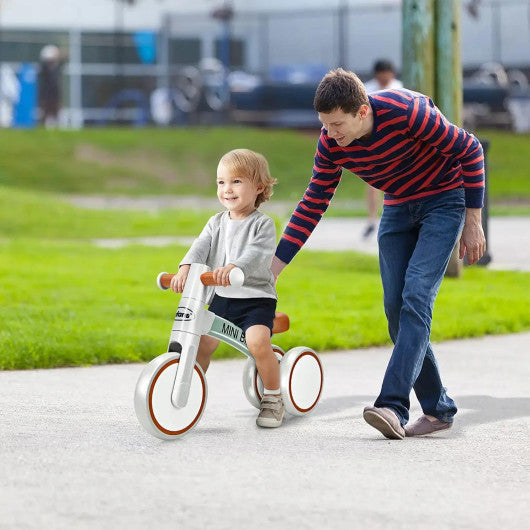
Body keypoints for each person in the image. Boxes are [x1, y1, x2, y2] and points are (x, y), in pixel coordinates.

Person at [271, 68, 485, 439]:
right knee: (394, 310)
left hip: (444, 200)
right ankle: (438, 409)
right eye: (325, 125)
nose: (331, 135)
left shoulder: (407, 112)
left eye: (337, 125)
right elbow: (312, 204)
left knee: (416, 295)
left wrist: (473, 219)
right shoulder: (330, 143)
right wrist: (272, 270)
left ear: (362, 111)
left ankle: (392, 405)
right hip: (399, 206)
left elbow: (470, 148)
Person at [170, 149, 285, 428]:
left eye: (236, 181)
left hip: (255, 299)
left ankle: (273, 397)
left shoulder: (263, 224)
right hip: (223, 296)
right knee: (202, 342)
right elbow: (201, 246)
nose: (227, 189)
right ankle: (189, 389)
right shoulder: (216, 222)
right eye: (221, 182)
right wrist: (186, 267)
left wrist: (235, 268)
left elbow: (258, 254)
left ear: (258, 187)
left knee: (257, 343)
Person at [362, 60, 404, 238]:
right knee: (373, 183)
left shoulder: (398, 88)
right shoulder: (367, 89)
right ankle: (372, 219)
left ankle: (396, 219)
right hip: (372, 141)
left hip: (394, 140)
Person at [38, 45, 64, 128]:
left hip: (55, 94)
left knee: (56, 112)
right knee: (45, 112)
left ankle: (57, 126)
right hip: (46, 94)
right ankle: (42, 126)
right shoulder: (44, 68)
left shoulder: (57, 68)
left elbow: (63, 59)